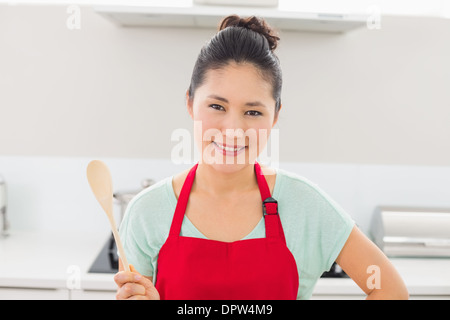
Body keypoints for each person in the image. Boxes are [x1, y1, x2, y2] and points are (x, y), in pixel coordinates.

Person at [114, 15, 409, 300]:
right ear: (190, 102)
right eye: (217, 106)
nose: (233, 130)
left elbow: (390, 290)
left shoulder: (306, 206)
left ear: (275, 115)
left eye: (253, 112)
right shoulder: (146, 214)